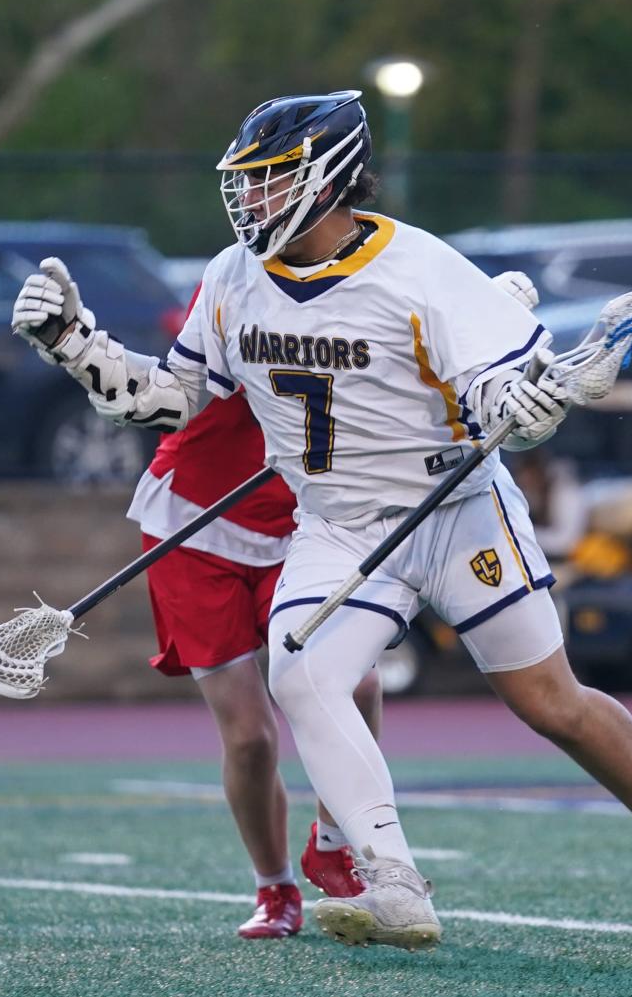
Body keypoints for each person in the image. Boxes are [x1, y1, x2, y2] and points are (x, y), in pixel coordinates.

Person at [11, 90, 632, 953]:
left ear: (326, 178)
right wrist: (75, 343)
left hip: (458, 510)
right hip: (338, 523)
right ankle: (393, 880)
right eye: (245, 184)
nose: (250, 202)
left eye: (270, 180)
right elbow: (176, 401)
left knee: (549, 702)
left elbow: (506, 400)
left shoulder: (420, 269)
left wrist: (534, 398)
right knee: (299, 675)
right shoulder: (232, 277)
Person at [122, 284, 384, 939]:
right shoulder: (232, 283)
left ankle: (330, 841)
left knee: (358, 681)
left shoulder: (361, 288)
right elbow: (172, 388)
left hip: (296, 527)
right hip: (194, 524)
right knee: (250, 736)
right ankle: (275, 887)